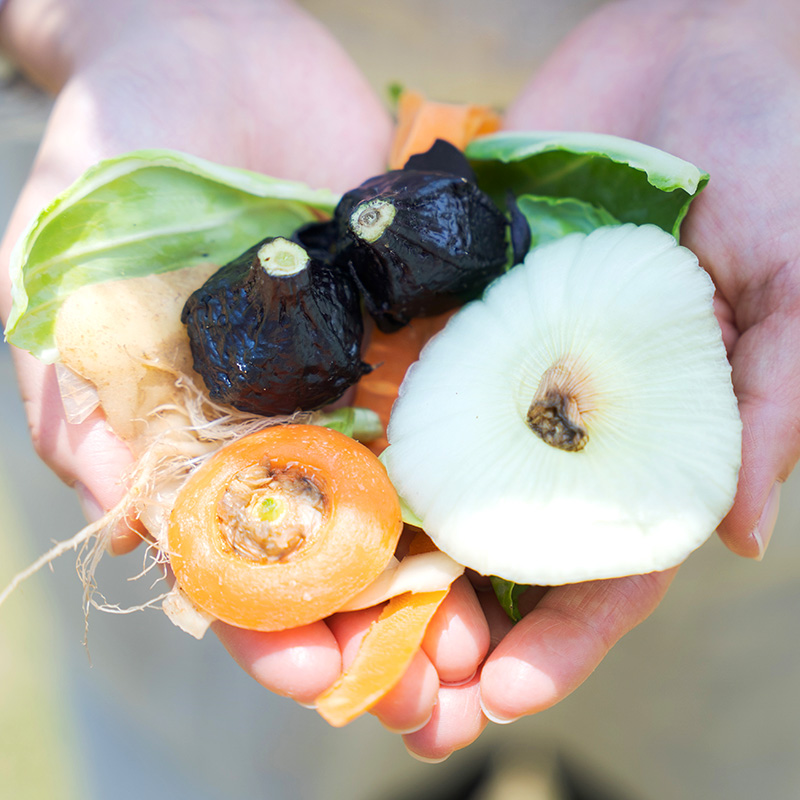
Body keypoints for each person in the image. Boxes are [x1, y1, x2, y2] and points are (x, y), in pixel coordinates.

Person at [0, 0, 797, 773]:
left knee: (700, 738)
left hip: (674, 397)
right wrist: (138, 17)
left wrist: (750, 26)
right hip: (221, 95)